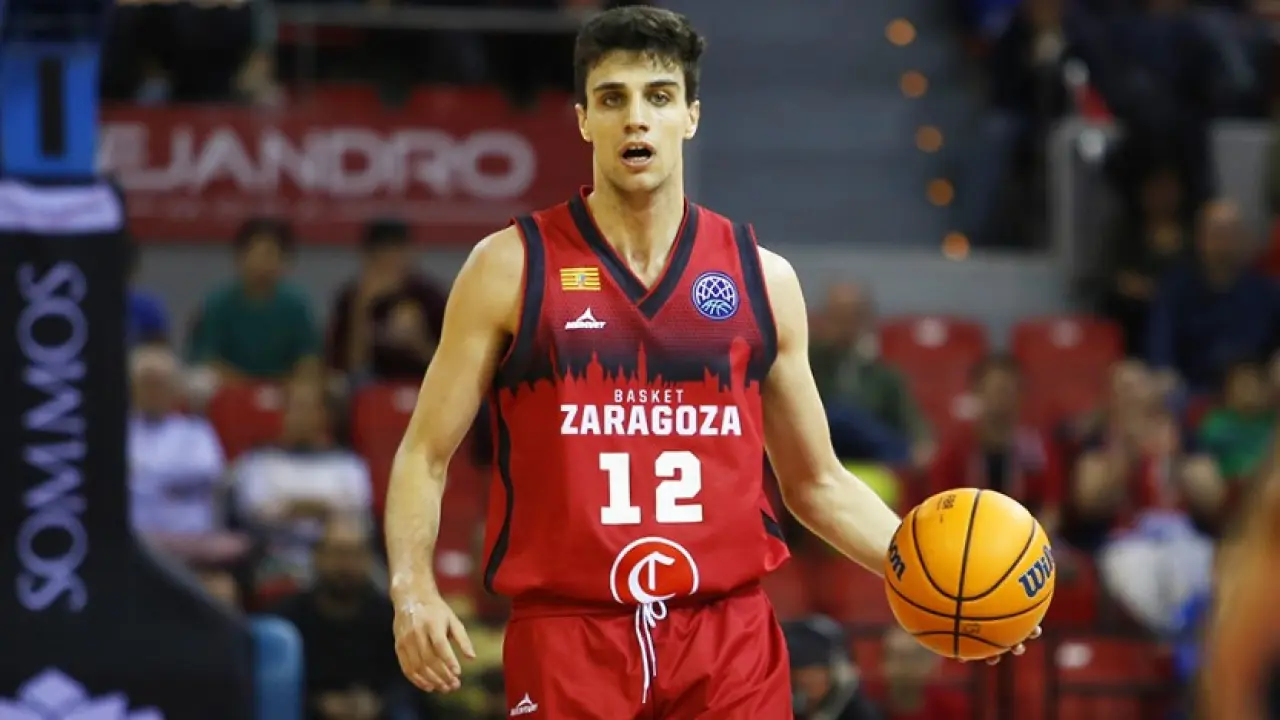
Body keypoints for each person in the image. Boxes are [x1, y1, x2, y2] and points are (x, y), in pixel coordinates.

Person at [385, 7, 1039, 719]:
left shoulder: (763, 280)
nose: (637, 119)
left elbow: (817, 482)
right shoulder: (510, 266)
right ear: (583, 120)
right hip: (570, 632)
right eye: (613, 98)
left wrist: (951, 587)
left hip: (726, 637)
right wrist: (412, 588)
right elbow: (424, 454)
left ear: (691, 116)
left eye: (659, 97)